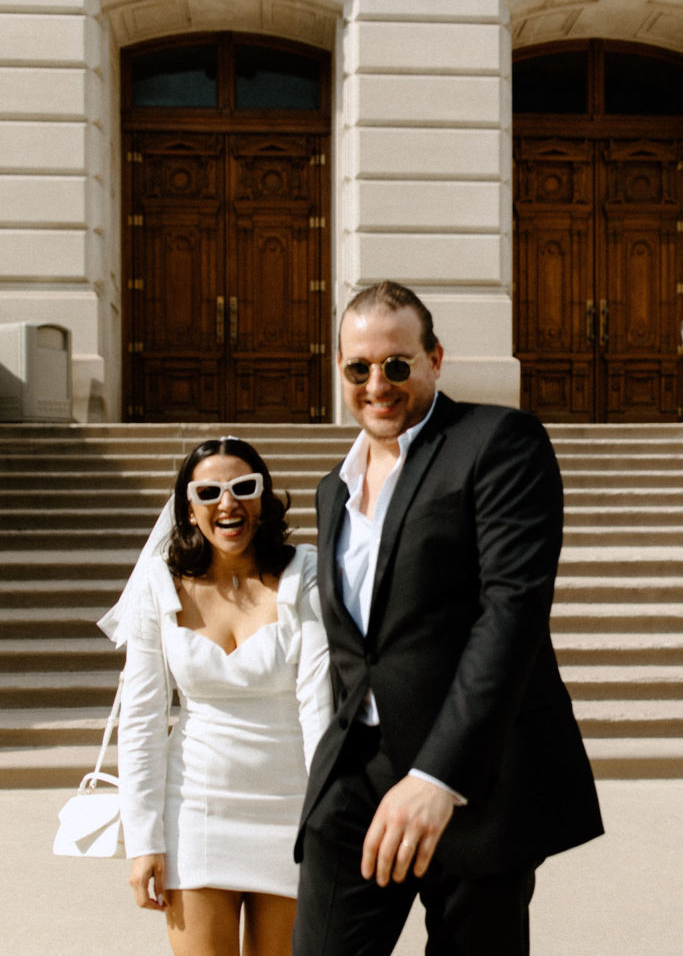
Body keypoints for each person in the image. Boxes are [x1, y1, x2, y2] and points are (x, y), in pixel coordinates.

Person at [292, 281, 604, 956]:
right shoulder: (331, 489)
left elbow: (511, 611)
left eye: (397, 364)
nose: (378, 383)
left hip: (474, 780)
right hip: (358, 778)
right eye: (359, 368)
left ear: (434, 358)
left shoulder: (496, 442)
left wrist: (440, 776)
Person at [98, 436, 332, 956]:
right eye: (209, 492)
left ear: (265, 498)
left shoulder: (305, 575)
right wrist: (145, 843)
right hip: (196, 811)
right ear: (189, 507)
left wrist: (327, 821)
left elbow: (320, 708)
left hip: (292, 808)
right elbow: (142, 720)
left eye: (243, 488)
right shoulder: (160, 587)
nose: (228, 504)